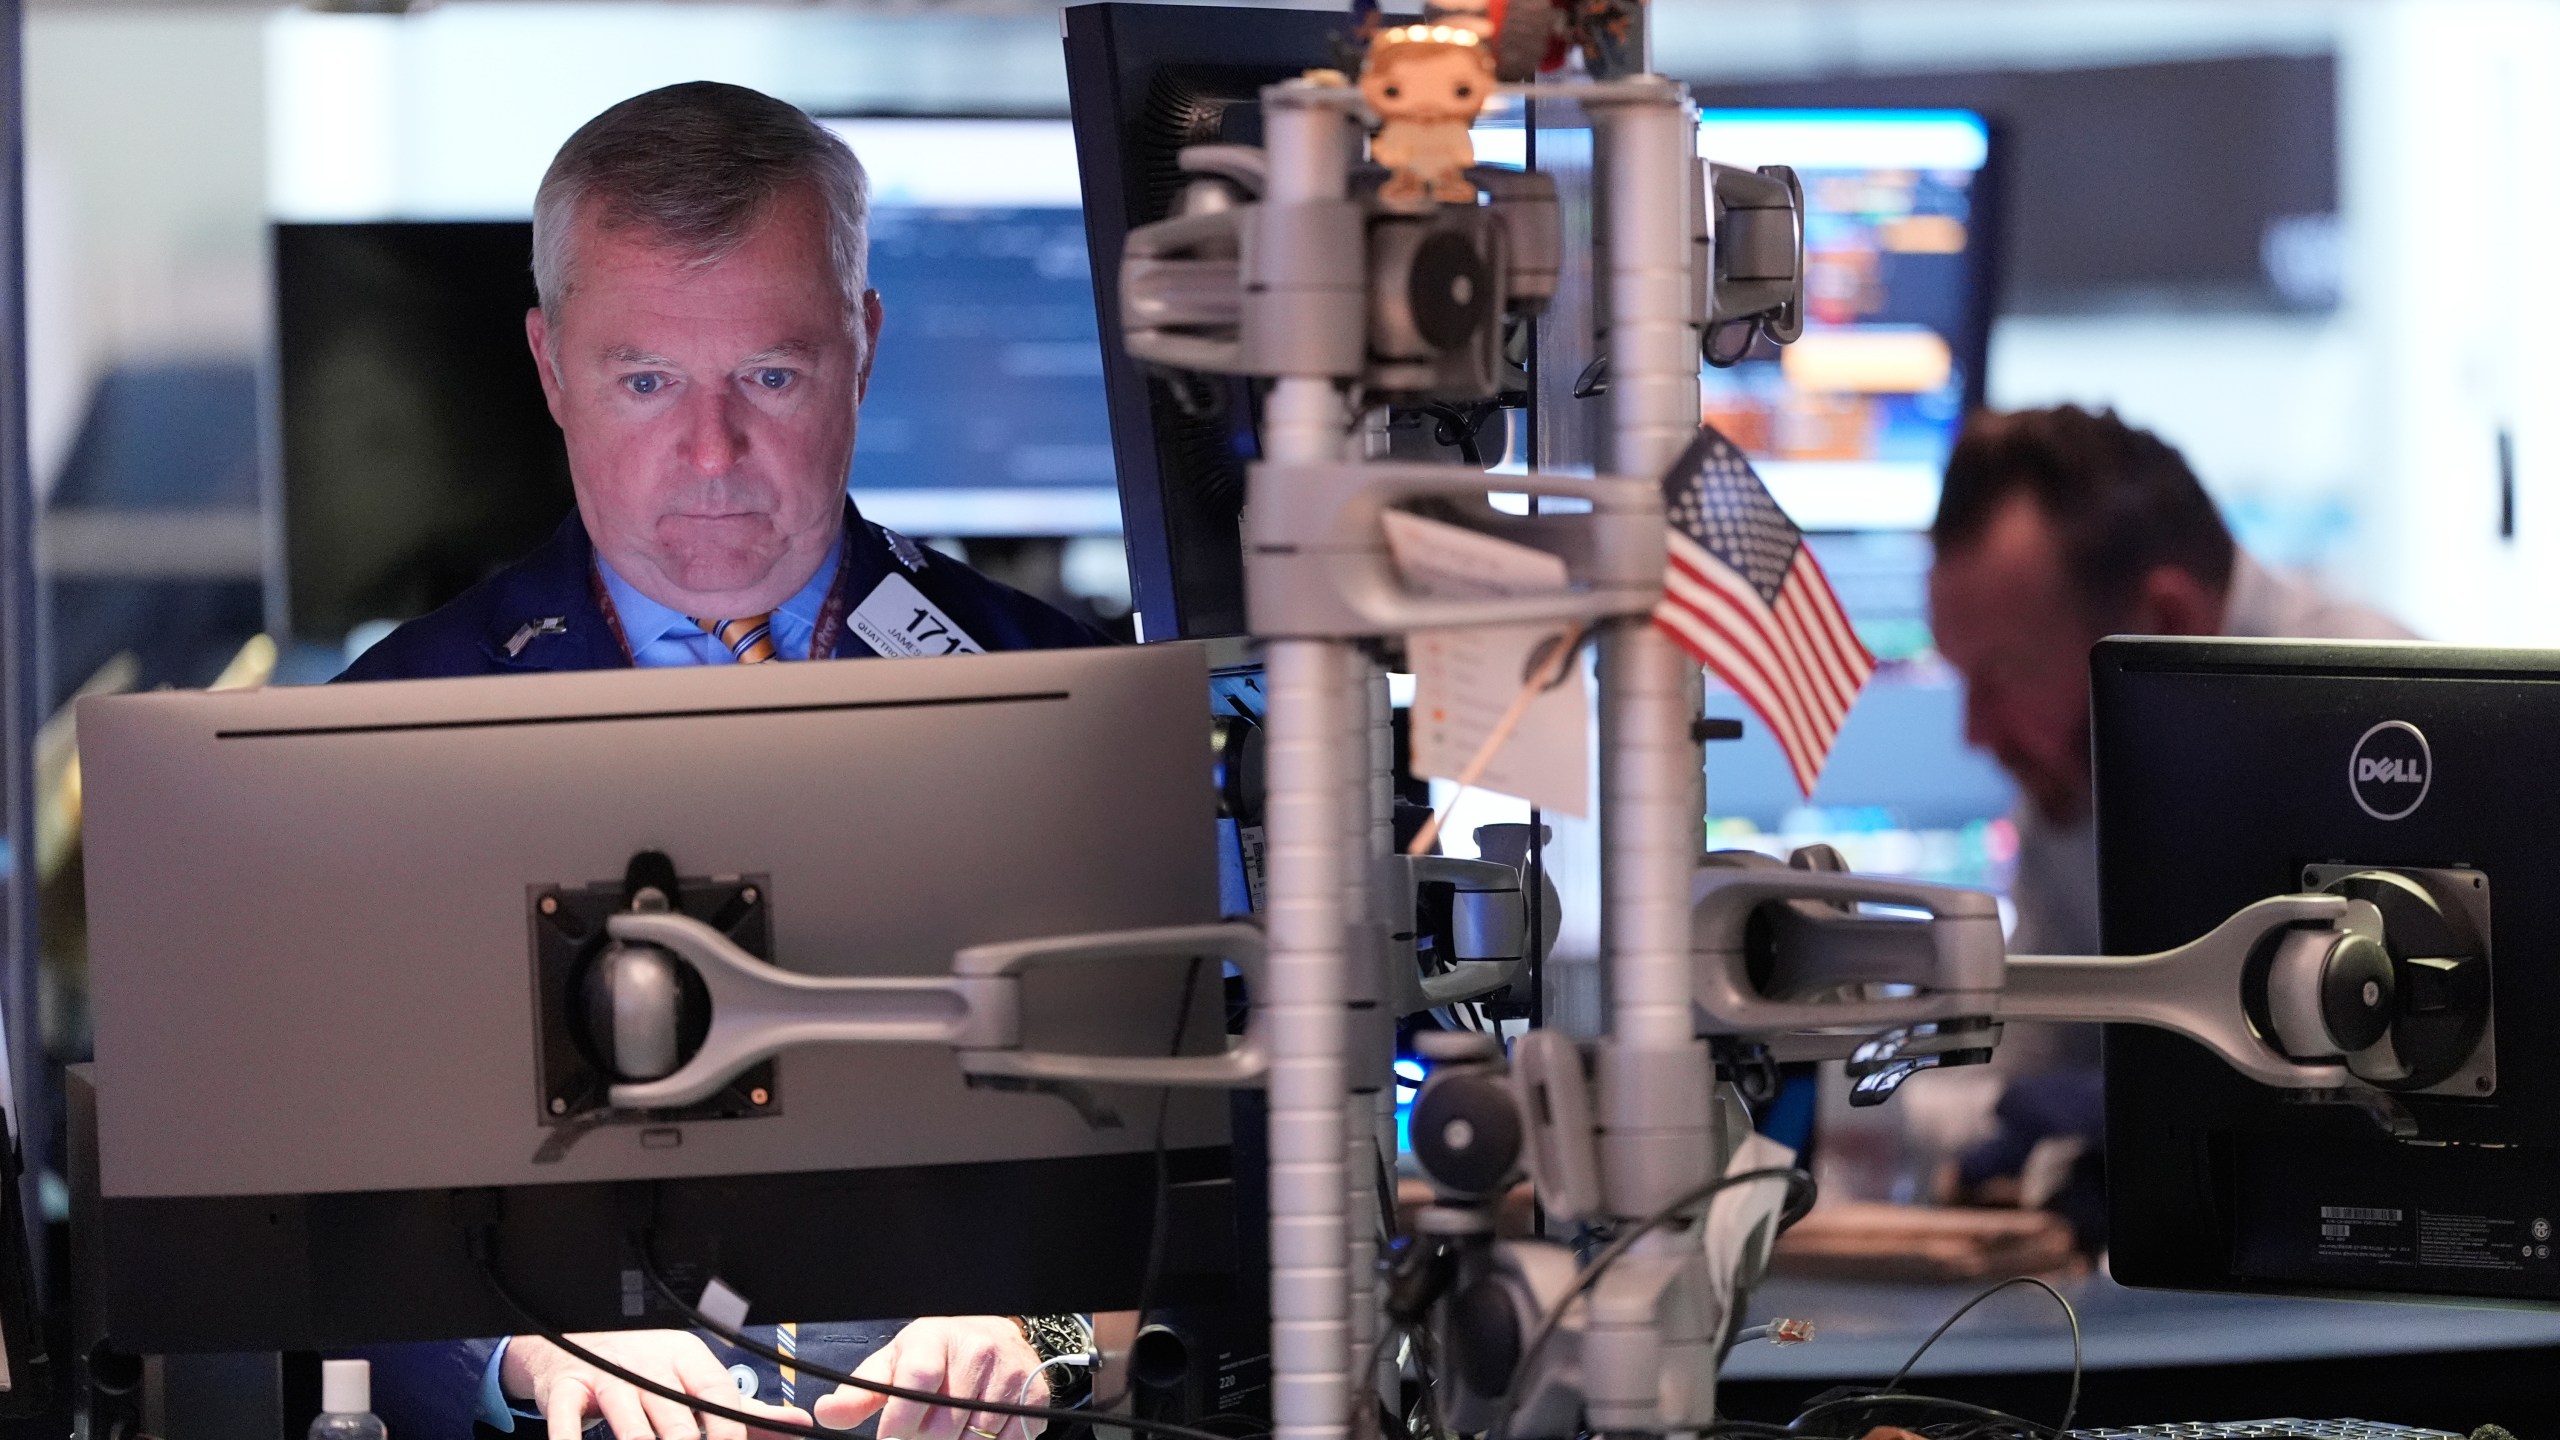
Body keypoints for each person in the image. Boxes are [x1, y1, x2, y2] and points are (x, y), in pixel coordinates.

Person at [339, 81, 1106, 1440]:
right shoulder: (377, 736)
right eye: (645, 381)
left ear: (862, 350)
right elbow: (302, 1210)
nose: (710, 453)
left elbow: (1222, 1167)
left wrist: (1049, 1333)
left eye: (770, 375)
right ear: (550, 367)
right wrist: (522, 1351)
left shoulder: (1073, 706)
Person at [1924, 406, 2412, 1242]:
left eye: (2001, 677)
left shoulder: (2388, 725)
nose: (1974, 733)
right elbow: (2024, 1073)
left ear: (2168, 623)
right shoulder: (2072, 779)